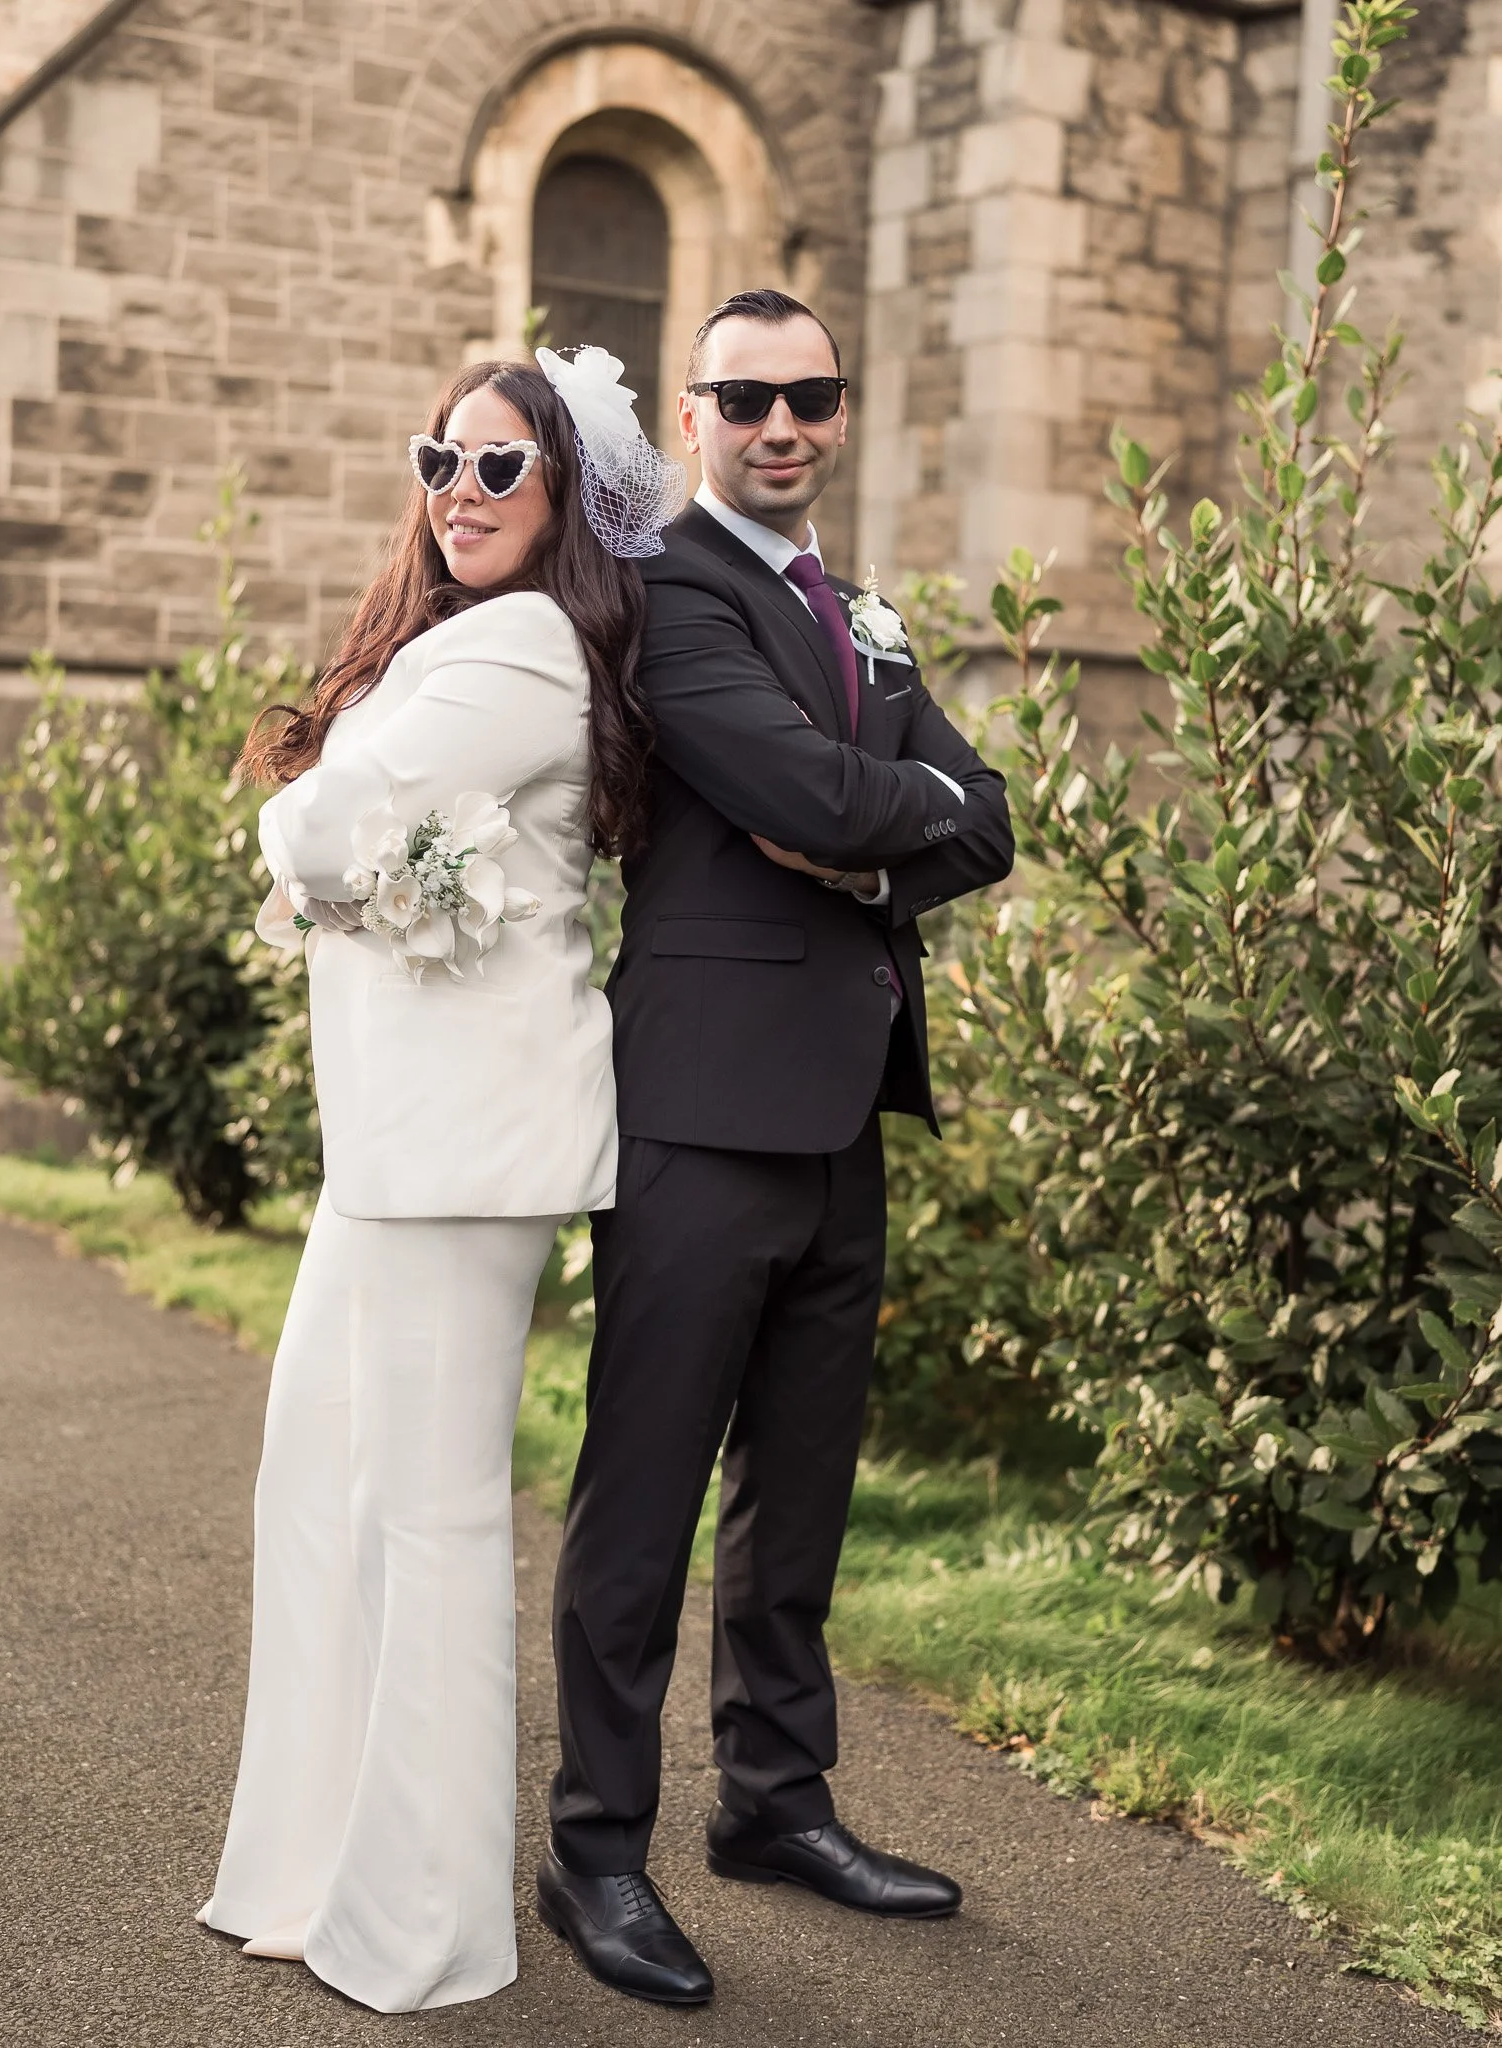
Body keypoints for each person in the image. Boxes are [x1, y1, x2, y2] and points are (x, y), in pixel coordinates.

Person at [539, 289, 1015, 2006]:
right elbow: (809, 793)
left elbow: (989, 817)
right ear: (691, 418)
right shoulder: (666, 594)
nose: (782, 424)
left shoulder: (858, 611)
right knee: (642, 1500)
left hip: (843, 1111)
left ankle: (774, 1803)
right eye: (745, 398)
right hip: (696, 1113)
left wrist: (878, 837)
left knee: (796, 1492)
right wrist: (879, 812)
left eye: (810, 394)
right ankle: (595, 1850)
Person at [196, 346, 681, 2013]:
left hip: (468, 1153)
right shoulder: (449, 645)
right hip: (390, 1140)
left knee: (431, 1516)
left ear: (561, 501)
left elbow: (322, 841)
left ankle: (423, 1925)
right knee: (325, 1488)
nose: (458, 495)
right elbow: (344, 834)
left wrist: (313, 836)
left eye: (498, 469)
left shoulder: (531, 641)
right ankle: (320, 1869)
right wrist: (334, 829)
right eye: (439, 462)